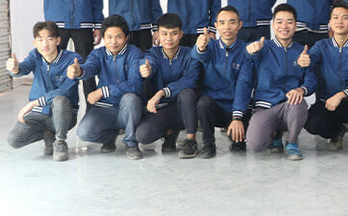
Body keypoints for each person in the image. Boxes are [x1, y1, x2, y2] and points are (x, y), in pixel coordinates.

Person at [243, 3, 317, 161]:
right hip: (265, 107)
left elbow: (311, 80)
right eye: (279, 21)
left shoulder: (302, 51)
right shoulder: (263, 47)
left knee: (299, 102)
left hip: (290, 106)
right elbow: (248, 54)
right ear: (273, 25)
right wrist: (250, 51)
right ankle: (275, 134)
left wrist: (302, 89)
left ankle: (292, 142)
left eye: (289, 22)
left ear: (295, 26)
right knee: (255, 146)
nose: (284, 26)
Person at [67, 15, 145, 159]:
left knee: (131, 98)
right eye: (109, 37)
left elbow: (134, 85)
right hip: (105, 108)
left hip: (126, 108)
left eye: (119, 37)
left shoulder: (135, 54)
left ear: (126, 37)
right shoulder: (98, 54)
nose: (113, 41)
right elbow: (89, 67)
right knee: (83, 132)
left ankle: (132, 144)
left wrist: (104, 91)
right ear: (103, 37)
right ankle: (109, 137)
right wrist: (80, 72)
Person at [303, 0, 348, 157]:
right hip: (327, 103)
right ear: (330, 22)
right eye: (336, 17)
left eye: (345, 18)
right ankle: (336, 132)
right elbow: (310, 58)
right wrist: (304, 60)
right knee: (311, 123)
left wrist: (342, 94)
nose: (339, 21)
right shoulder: (321, 46)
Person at [6, 21, 81, 161]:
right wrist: (15, 69)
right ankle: (48, 134)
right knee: (14, 139)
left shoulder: (72, 59)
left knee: (59, 99)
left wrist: (33, 103)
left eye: (50, 39)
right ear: (35, 42)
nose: (45, 44)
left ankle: (60, 142)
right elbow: (24, 67)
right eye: (40, 40)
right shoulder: (35, 55)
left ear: (58, 41)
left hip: (64, 113)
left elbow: (65, 91)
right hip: (40, 114)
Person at [135, 13, 202, 158]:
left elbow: (190, 80)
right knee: (143, 135)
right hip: (162, 109)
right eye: (164, 34)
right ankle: (170, 132)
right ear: (157, 35)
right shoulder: (152, 54)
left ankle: (191, 140)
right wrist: (145, 69)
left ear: (181, 34)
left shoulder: (191, 55)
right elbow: (148, 62)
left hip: (184, 109)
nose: (169, 38)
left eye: (174, 33)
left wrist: (162, 92)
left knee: (187, 93)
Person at [192, 6, 255, 158]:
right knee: (203, 103)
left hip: (236, 107)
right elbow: (198, 56)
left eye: (232, 22)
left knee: (239, 144)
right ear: (216, 26)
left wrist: (237, 117)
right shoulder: (209, 46)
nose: (227, 27)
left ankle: (237, 138)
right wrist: (200, 47)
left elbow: (244, 85)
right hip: (214, 107)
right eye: (222, 23)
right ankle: (208, 144)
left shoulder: (245, 50)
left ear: (239, 25)